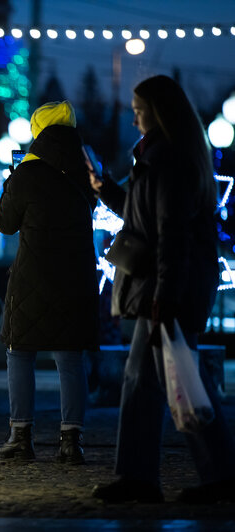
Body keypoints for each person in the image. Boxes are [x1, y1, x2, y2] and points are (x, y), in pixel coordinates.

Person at [90, 75, 235, 504]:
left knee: (182, 383)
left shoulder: (166, 160)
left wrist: (166, 298)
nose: (133, 118)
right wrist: (105, 190)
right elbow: (145, 218)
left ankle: (213, 475)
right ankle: (143, 476)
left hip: (168, 289)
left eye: (138, 110)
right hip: (166, 287)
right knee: (144, 381)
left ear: (157, 112)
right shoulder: (160, 158)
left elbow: (171, 235)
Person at [0, 101, 100, 464]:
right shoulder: (86, 169)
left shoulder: (29, 171)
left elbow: (5, 223)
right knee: (71, 359)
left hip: (32, 278)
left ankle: (20, 437)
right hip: (76, 276)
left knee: (20, 354)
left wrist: (13, 179)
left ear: (37, 131)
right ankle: (72, 441)